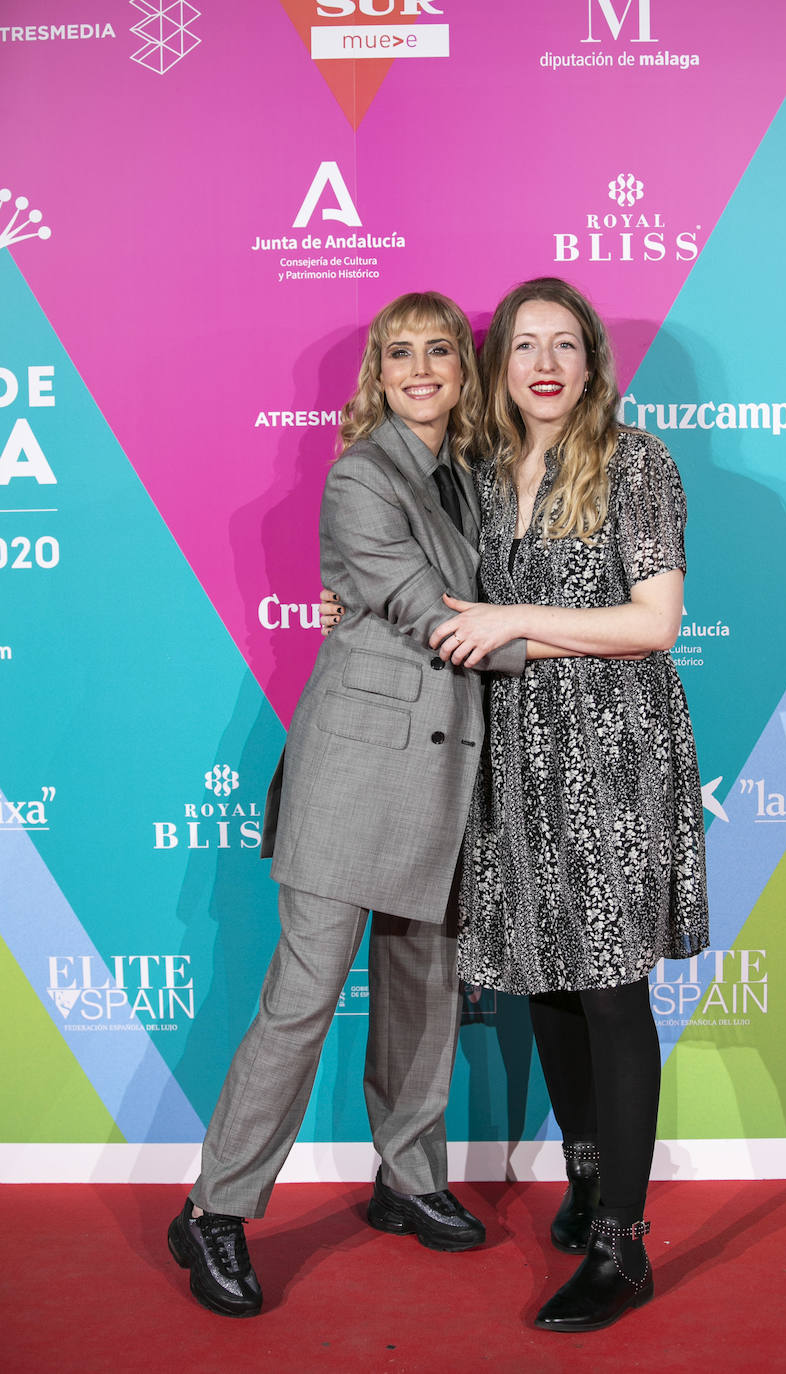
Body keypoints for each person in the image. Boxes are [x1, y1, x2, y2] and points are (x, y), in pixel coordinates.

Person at [167, 292, 528, 1317]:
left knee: (425, 997)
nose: (421, 369)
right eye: (401, 353)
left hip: (449, 773)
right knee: (301, 1000)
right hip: (355, 774)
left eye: (439, 352)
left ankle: (407, 1179)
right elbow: (440, 616)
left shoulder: (476, 476)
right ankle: (215, 1210)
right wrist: (602, 637)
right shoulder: (361, 476)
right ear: (379, 371)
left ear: (465, 368)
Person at [427, 277, 709, 1333]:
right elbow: (454, 610)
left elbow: (653, 624)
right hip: (512, 749)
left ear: (592, 362)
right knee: (543, 974)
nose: (544, 364)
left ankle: (622, 1246)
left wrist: (512, 627)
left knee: (607, 989)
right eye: (523, 347)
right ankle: (587, 1181)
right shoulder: (485, 473)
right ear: (500, 368)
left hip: (612, 749)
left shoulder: (635, 462)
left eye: (565, 345)